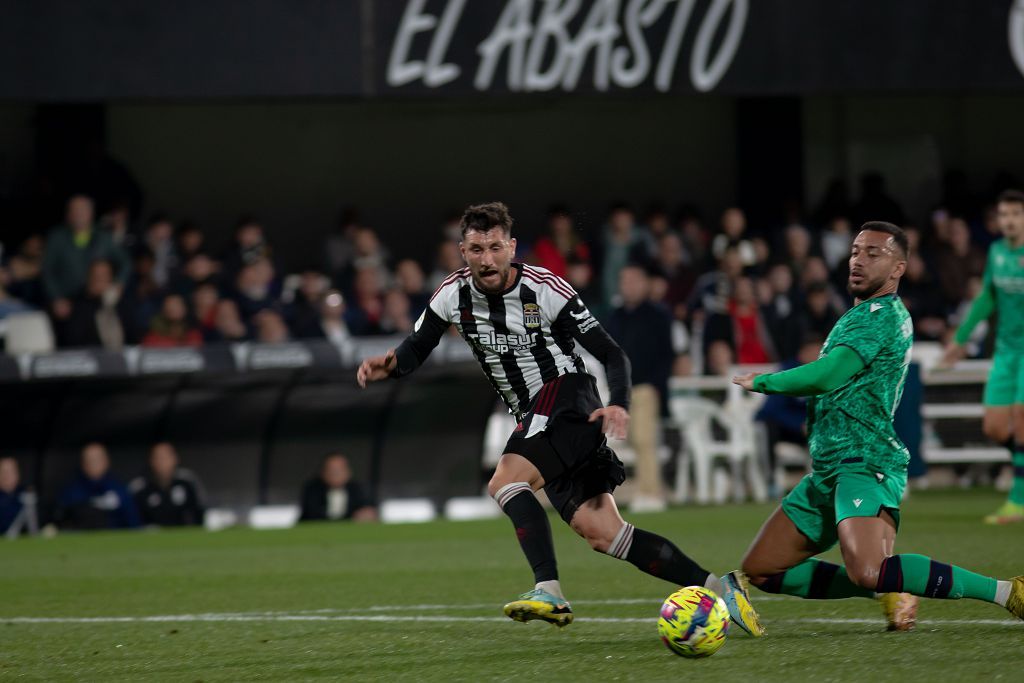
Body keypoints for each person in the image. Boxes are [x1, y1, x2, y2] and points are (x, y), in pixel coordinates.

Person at [357, 202, 762, 634]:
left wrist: (620, 402)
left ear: (511, 247)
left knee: (505, 481)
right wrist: (393, 364)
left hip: (566, 395)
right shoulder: (452, 295)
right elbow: (418, 345)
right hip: (541, 419)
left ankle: (548, 589)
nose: (487, 258)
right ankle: (722, 588)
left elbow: (611, 352)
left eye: (495, 247)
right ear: (462, 251)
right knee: (603, 532)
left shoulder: (545, 289)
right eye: (476, 249)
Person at [733, 222, 1023, 631]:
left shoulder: (879, 316)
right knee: (763, 570)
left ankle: (1008, 592)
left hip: (865, 461)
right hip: (829, 467)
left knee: (868, 568)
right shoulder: (860, 314)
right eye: (855, 251)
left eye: (873, 253)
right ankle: (885, 589)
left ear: (898, 268)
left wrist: (764, 381)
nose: (858, 260)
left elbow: (828, 375)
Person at [942, 189, 1024, 524]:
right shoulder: (996, 252)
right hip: (1006, 352)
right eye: (1004, 214)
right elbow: (987, 298)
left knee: (1020, 421)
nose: (1008, 220)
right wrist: (959, 340)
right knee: (993, 427)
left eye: (1016, 214)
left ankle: (1017, 502)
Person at [606, 264, 674, 512]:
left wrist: (658, 385)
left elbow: (667, 355)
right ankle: (648, 489)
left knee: (645, 440)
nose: (629, 286)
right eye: (625, 281)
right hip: (621, 389)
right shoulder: (615, 317)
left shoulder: (658, 315)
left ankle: (651, 493)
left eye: (634, 281)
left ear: (645, 284)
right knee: (634, 440)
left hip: (646, 386)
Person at [55, 443, 140, 530]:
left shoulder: (120, 489)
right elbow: (61, 520)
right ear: (83, 464)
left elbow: (133, 522)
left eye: (97, 459)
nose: (93, 464)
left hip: (114, 537)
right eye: (89, 460)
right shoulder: (71, 491)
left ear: (106, 461)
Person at [130, 442, 206, 527]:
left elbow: (199, 510)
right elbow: (133, 518)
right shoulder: (140, 487)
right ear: (151, 461)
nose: (162, 462)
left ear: (175, 459)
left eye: (166, 457)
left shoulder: (187, 481)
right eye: (158, 458)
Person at [299, 453, 377, 522]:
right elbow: (311, 514)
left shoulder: (359, 489)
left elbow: (368, 510)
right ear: (323, 472)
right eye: (331, 470)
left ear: (348, 472)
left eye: (339, 470)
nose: (335, 474)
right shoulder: (312, 489)